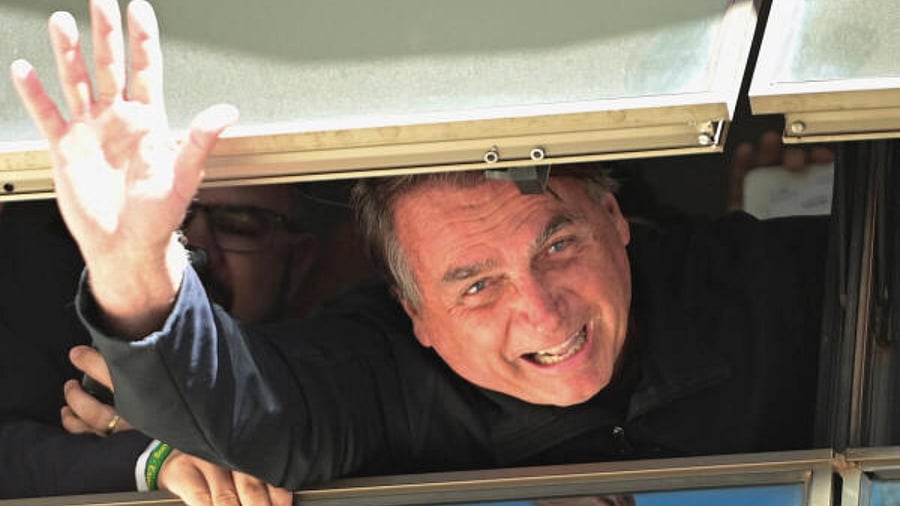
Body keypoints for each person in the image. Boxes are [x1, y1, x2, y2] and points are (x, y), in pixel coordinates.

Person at [10, 0, 827, 503]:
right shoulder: (382, 369)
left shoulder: (761, 287)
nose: (542, 313)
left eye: (558, 243)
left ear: (614, 219)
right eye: (475, 286)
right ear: (416, 315)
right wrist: (135, 258)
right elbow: (248, 410)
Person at [0, 183, 317, 502]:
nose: (196, 246)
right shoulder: (53, 341)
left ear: (299, 260)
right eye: (168, 218)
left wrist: (167, 432)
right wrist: (151, 457)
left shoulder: (329, 379)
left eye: (238, 224)